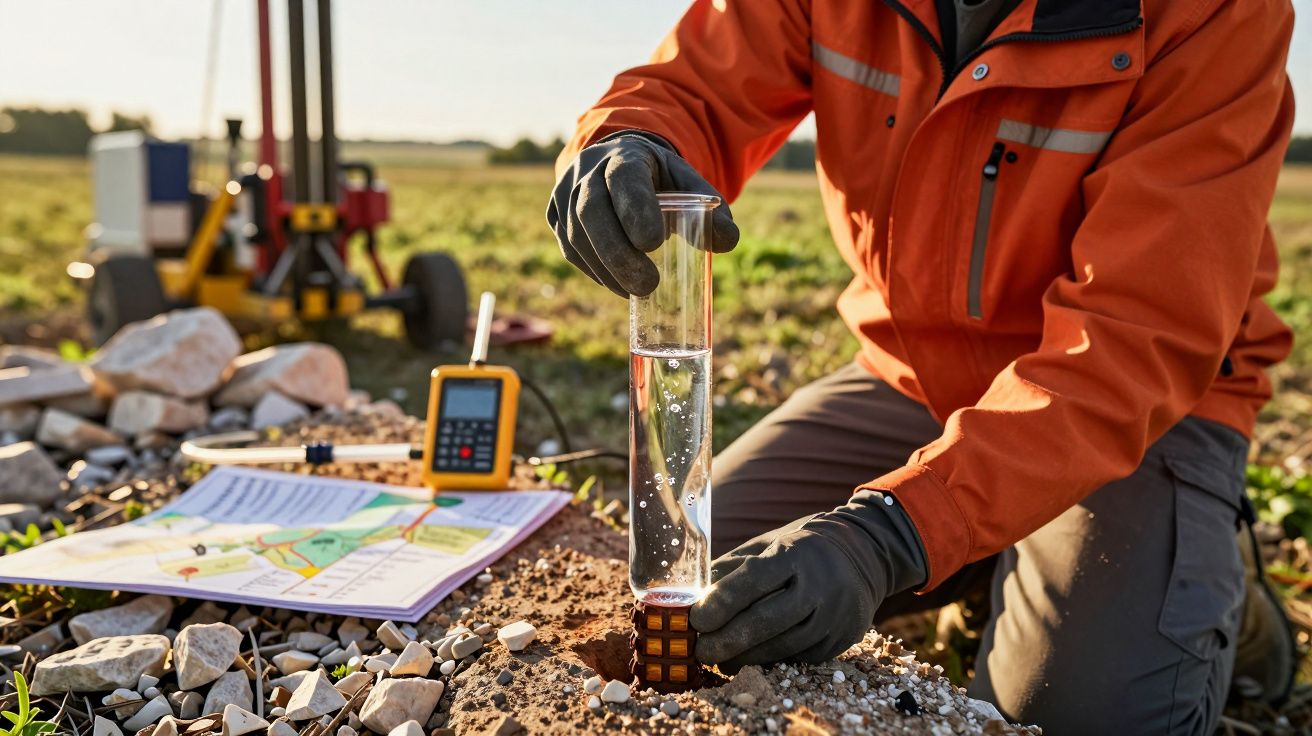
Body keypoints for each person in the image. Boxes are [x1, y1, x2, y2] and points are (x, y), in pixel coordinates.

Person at [546, 0, 1298, 732]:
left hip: (1133, 411)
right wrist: (627, 139)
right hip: (912, 378)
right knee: (692, 597)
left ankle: (1211, 586)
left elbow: (1137, 334)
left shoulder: (1215, 12)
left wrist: (891, 535)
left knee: (1072, 718)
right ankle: (987, 550)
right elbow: (696, 87)